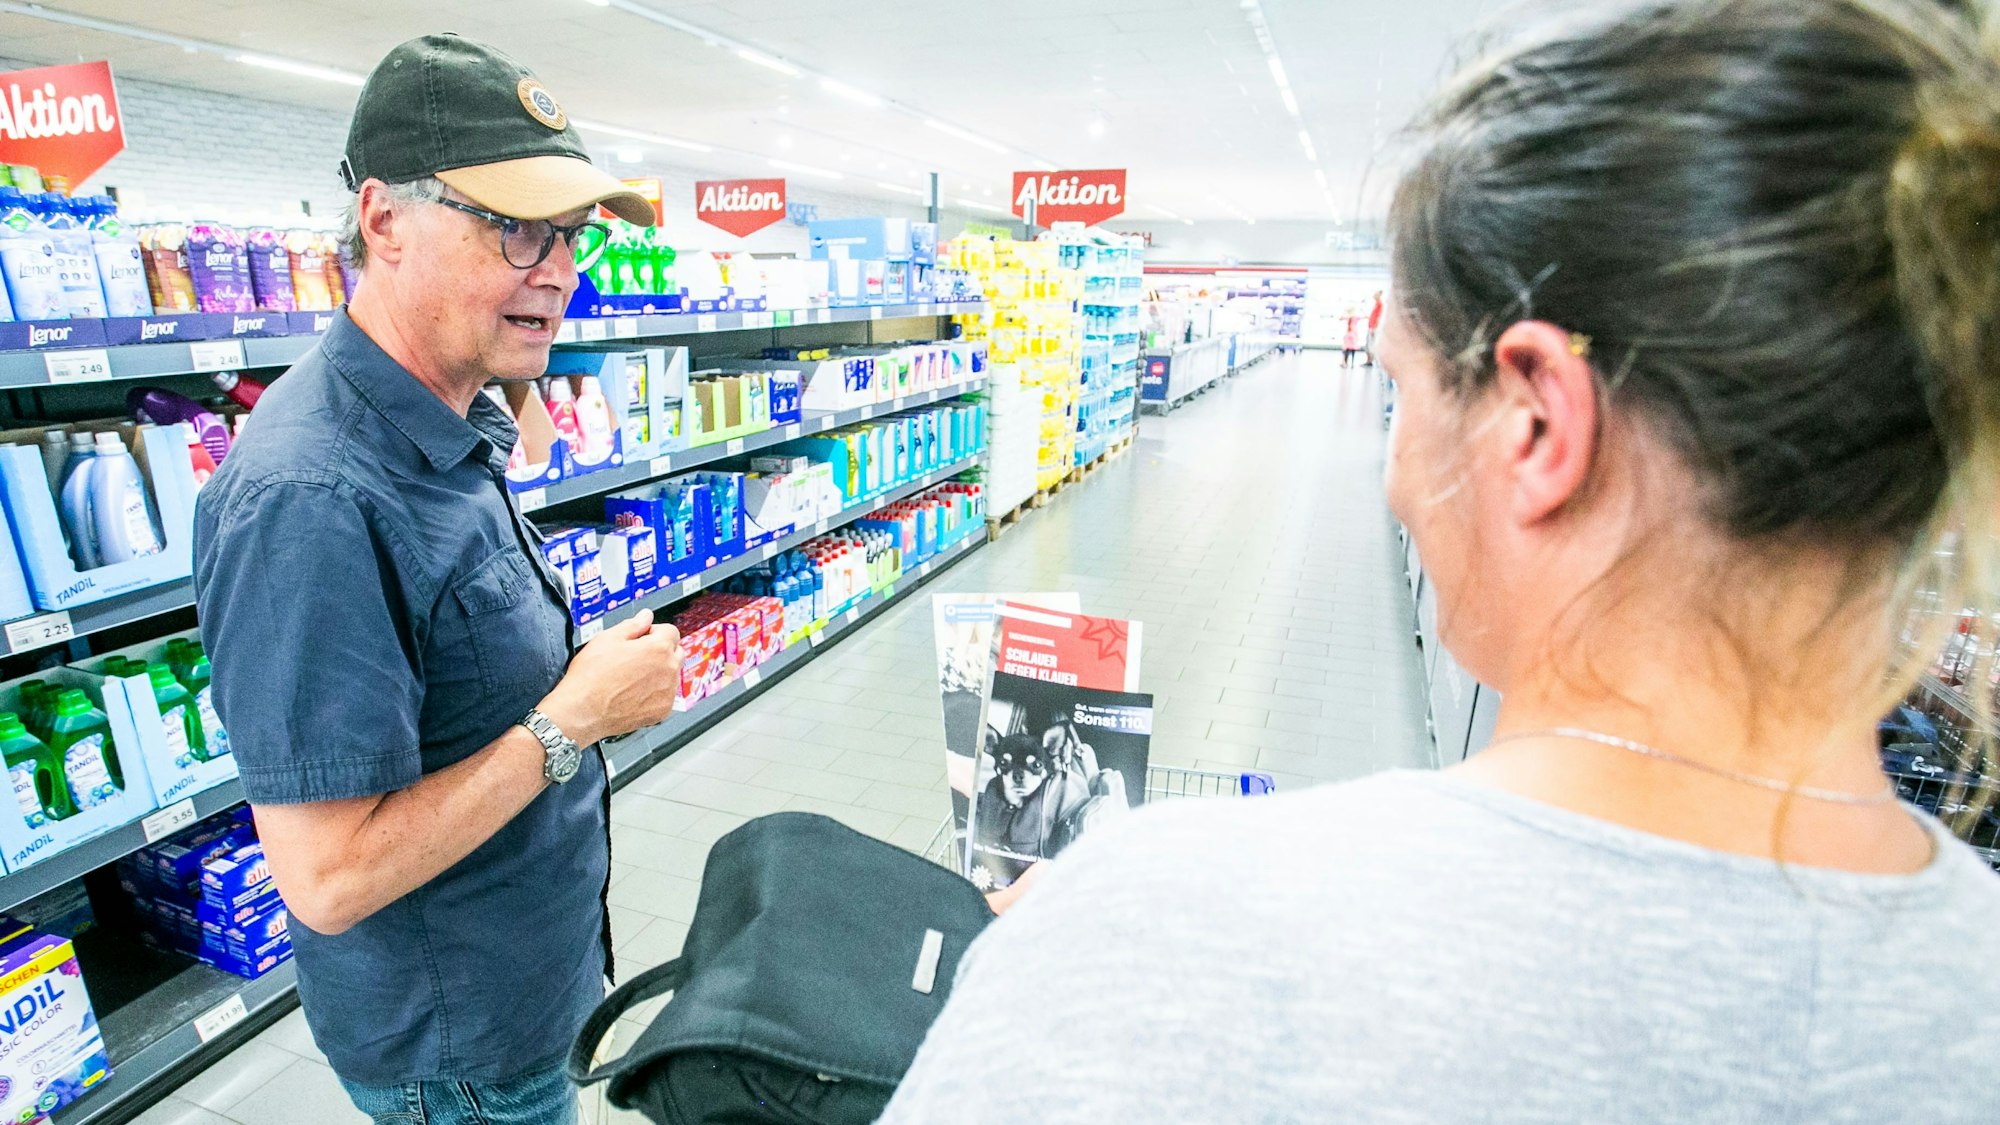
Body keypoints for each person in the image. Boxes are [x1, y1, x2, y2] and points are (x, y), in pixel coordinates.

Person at [882, 0, 2000, 1119]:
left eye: (1405, 384)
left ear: (1533, 429)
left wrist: (1062, 962)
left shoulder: (1171, 925)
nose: (1395, 471)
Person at [193, 34, 681, 1125]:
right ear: (383, 223)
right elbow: (326, 881)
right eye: (514, 229)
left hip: (520, 988)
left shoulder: (451, 409)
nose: (557, 268)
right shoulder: (308, 499)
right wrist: (573, 719)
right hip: (456, 1053)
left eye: (570, 235)